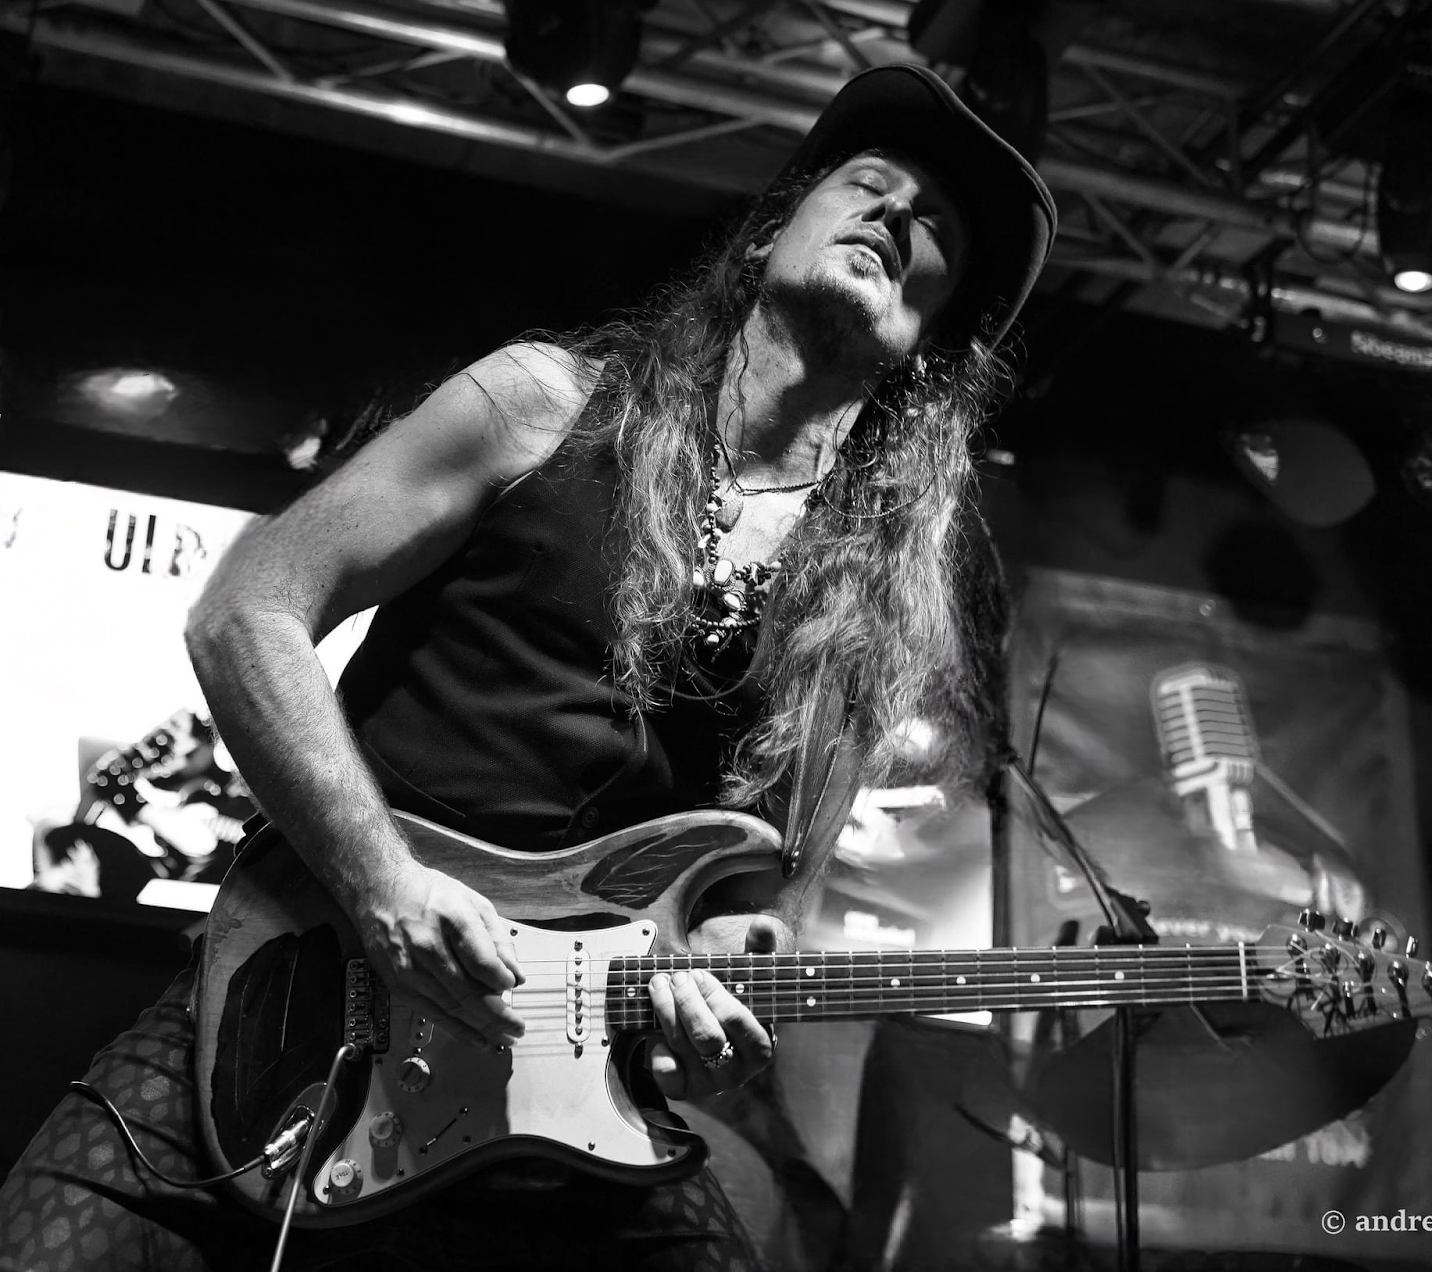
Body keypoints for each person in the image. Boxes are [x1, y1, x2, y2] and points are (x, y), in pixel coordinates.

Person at [0, 64, 1055, 1272]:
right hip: (299, 1001)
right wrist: (386, 883)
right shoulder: (542, 404)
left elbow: (756, 918)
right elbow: (248, 613)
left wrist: (715, 995)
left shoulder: (869, 620)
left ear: (933, 344)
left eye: (935, 230)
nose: (893, 215)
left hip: (566, 1102)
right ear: (773, 230)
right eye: (868, 184)